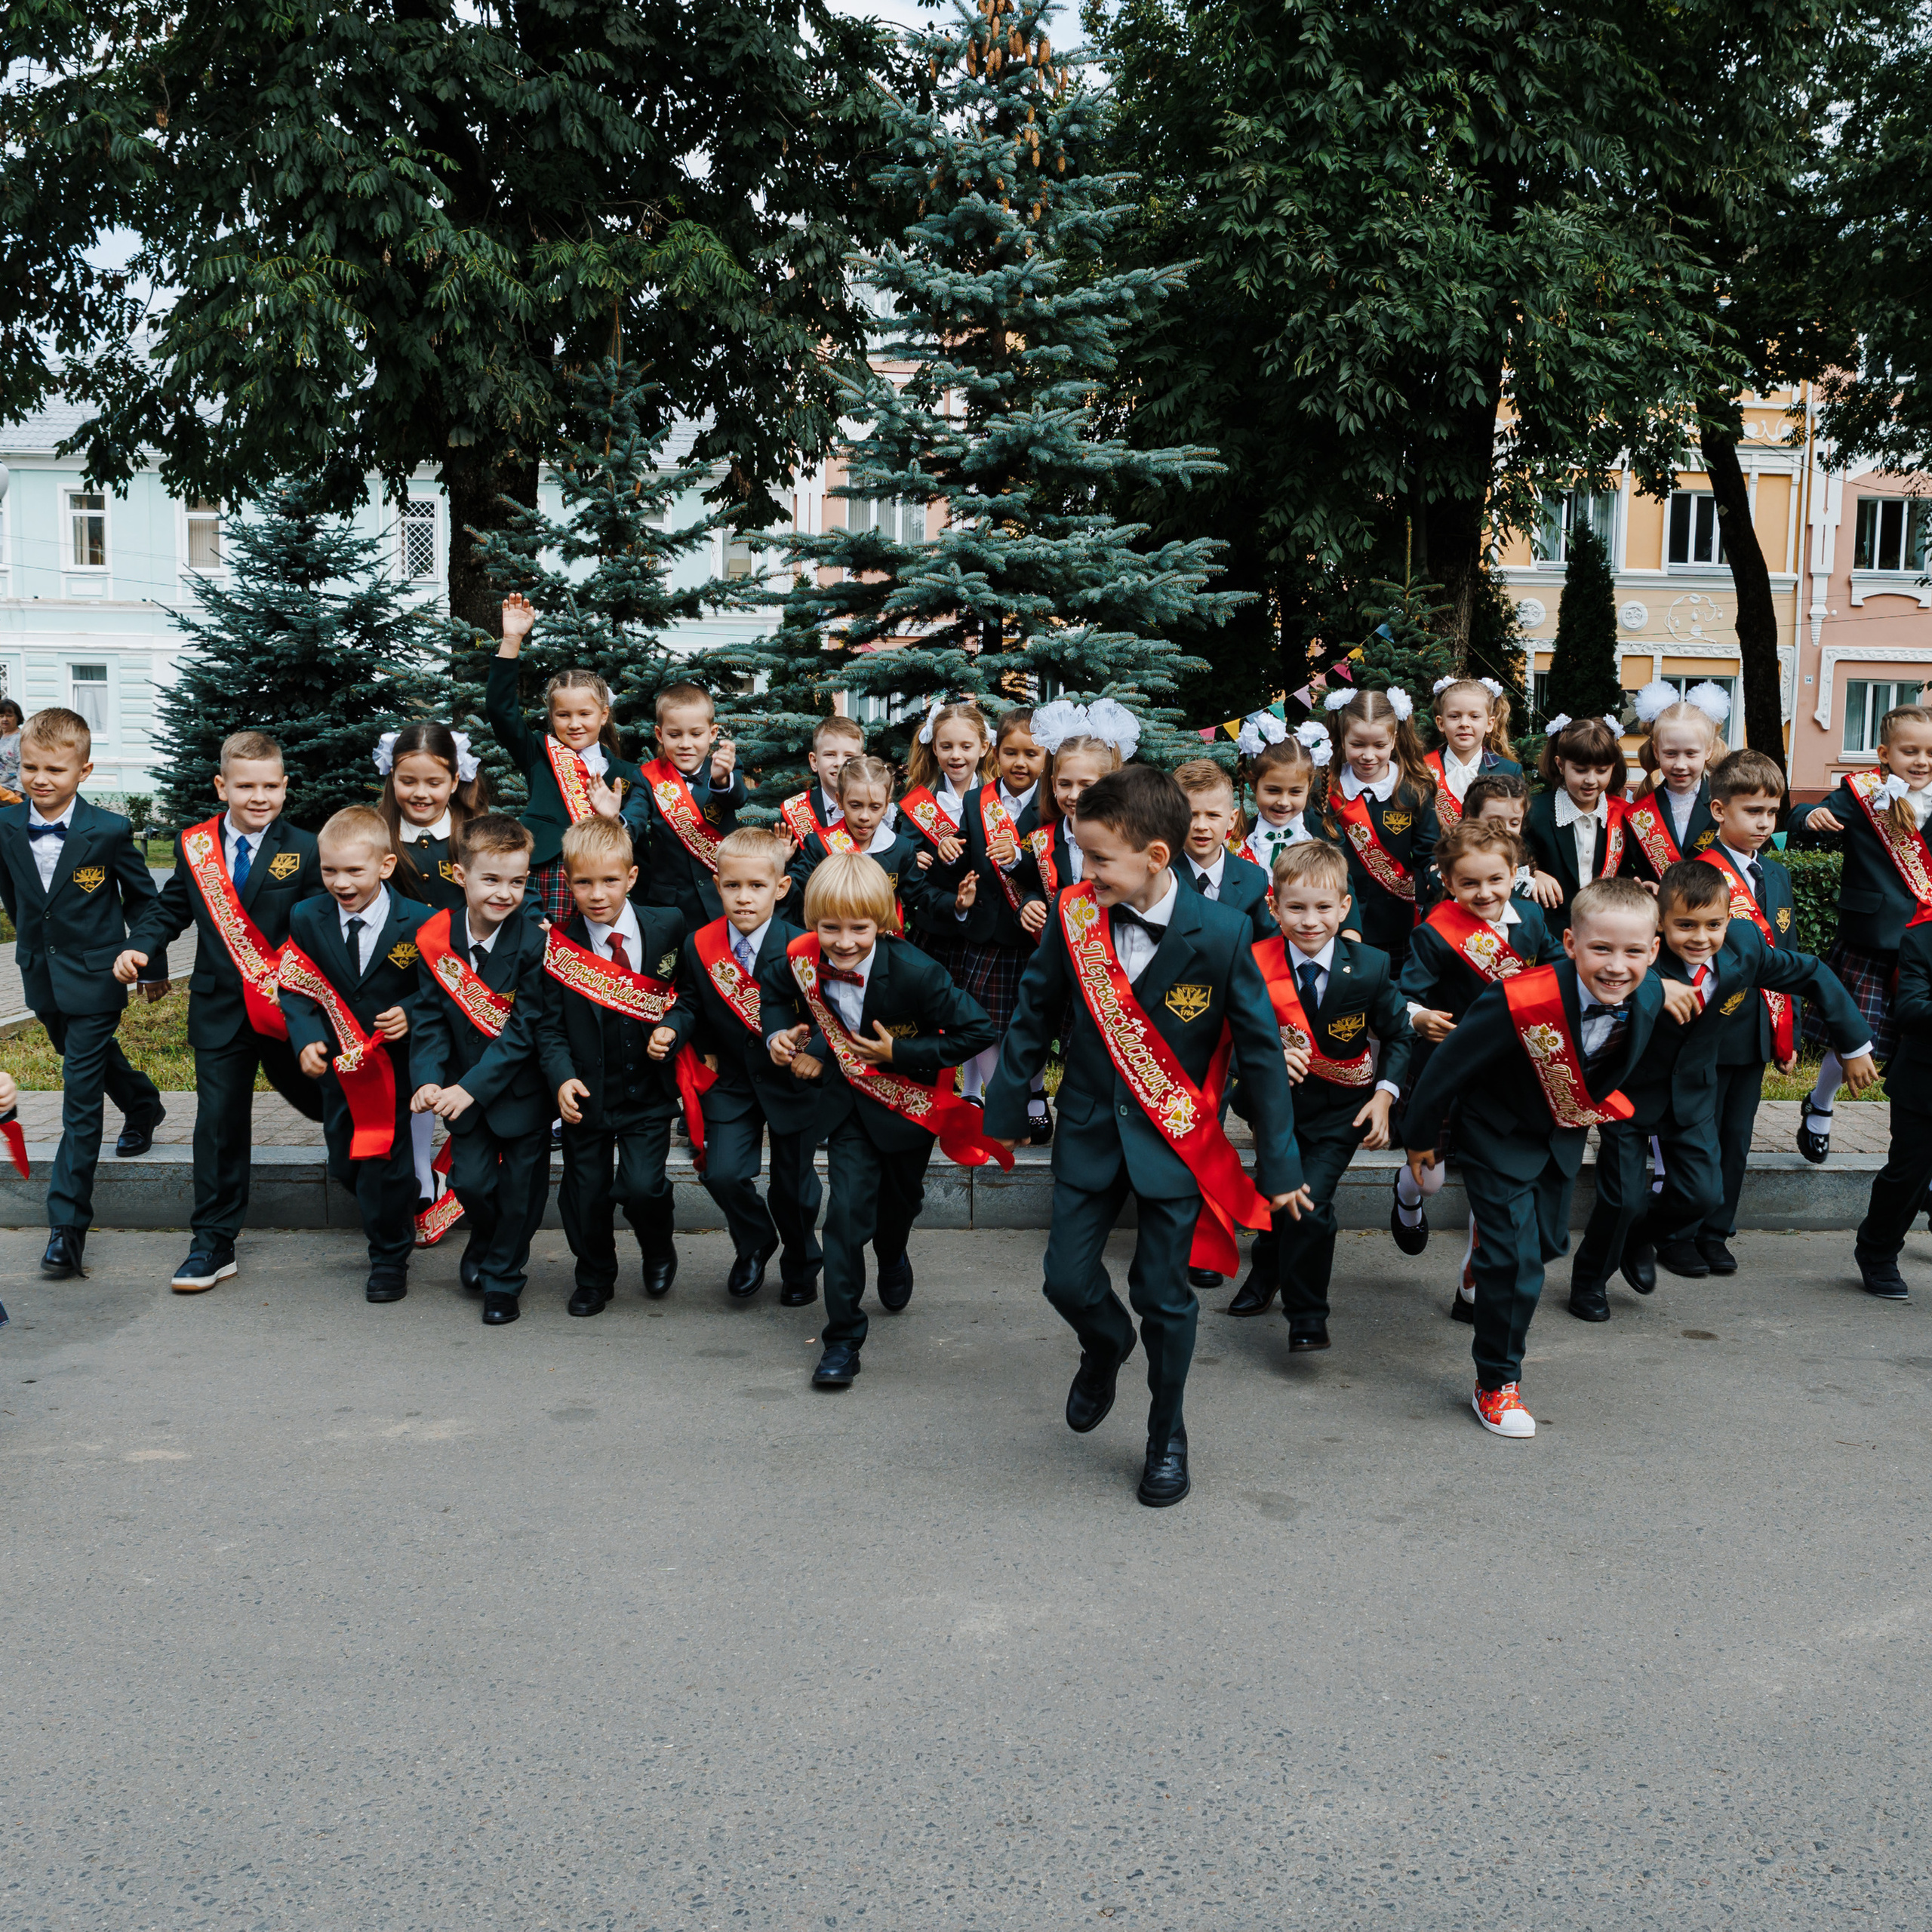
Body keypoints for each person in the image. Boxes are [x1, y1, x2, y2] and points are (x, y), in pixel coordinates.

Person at [983, 764, 1309, 1508]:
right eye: (1080, 854)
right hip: (1091, 1132)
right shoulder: (1073, 918)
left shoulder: (1224, 931)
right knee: (1065, 1279)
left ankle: (1167, 1432)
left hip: (1175, 1142)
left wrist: (1279, 1160)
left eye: (1099, 859)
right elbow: (1032, 1017)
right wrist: (1003, 1115)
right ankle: (1104, 1343)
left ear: (1156, 856)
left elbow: (1260, 1050)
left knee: (1163, 1298)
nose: (1083, 870)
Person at [1402, 878, 1668, 1438]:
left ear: (1654, 950)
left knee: (1544, 1247)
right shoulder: (1519, 997)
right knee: (1518, 1266)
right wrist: (1421, 1136)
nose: (1617, 965)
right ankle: (1496, 1385)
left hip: (1561, 1139)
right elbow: (1447, 1067)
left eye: (1633, 951)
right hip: (1497, 1135)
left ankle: (1486, 1260)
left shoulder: (1647, 994)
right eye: (1601, 948)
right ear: (1570, 943)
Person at [1563, 860, 1874, 1321]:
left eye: (1714, 925)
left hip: (1693, 1093)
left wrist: (1853, 1043)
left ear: (1730, 920)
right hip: (1627, 1093)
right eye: (1684, 925)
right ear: (1659, 925)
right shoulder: (1638, 957)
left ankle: (1638, 1238)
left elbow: (1810, 972)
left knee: (1703, 1195)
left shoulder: (1743, 948)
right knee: (1622, 1199)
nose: (1700, 937)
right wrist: (1653, 986)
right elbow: (1594, 972)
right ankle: (1589, 1281)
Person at [761, 851, 998, 1389]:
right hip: (845, 1107)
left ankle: (893, 1251)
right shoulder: (800, 958)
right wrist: (779, 1035)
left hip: (906, 1108)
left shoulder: (917, 973)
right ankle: (842, 1341)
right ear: (811, 923)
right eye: (830, 928)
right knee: (844, 1217)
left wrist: (901, 1052)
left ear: (884, 922)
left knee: (898, 1206)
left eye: (858, 928)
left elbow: (977, 1031)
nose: (843, 942)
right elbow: (774, 992)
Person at [115, 729, 326, 1292]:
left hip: (289, 1010)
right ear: (221, 786)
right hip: (220, 1009)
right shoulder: (194, 846)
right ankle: (212, 1242)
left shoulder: (306, 848)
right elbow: (172, 908)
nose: (259, 797)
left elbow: (319, 926)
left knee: (328, 1102)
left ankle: (385, 1206)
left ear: (285, 787)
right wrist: (144, 946)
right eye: (245, 786)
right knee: (218, 1125)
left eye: (270, 787)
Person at [0, 707, 169, 1280]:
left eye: (54, 768)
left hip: (99, 979)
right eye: (29, 767)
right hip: (40, 979)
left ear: (84, 770)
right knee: (83, 1060)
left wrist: (148, 963)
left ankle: (66, 1229)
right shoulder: (3, 827)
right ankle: (144, 1104)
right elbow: (16, 901)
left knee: (78, 1098)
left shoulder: (110, 830)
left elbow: (146, 902)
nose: (40, 779)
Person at [1225, 839, 1410, 1349]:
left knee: (1308, 1201)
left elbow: (1399, 1034)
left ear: (1344, 907)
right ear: (1274, 907)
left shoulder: (1369, 965)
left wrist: (1385, 1096)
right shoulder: (1251, 963)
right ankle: (1266, 1272)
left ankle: (1307, 1314)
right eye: (1296, 908)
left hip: (1340, 1112)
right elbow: (1220, 1041)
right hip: (1274, 1111)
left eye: (1324, 908)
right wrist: (1258, 1063)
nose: (1310, 921)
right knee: (1278, 1194)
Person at [1388, 815, 1565, 1301]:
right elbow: (1405, 994)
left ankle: (1474, 1280)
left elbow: (1559, 970)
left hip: (1508, 1073)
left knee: (1492, 1180)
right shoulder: (1434, 933)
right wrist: (1419, 1016)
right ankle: (1405, 1197)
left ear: (1515, 875)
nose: (1484, 893)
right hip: (1446, 1068)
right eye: (1469, 883)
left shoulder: (1530, 920)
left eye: (1495, 880)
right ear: (1447, 883)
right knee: (1432, 1181)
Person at [537, 815, 688, 1315]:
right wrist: (561, 1079)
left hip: (647, 1093)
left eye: (608, 880)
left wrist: (674, 1029)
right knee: (587, 1193)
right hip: (589, 1096)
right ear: (568, 882)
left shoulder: (667, 925)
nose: (597, 893)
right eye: (584, 882)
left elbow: (689, 997)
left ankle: (658, 1245)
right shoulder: (561, 947)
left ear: (632, 877)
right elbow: (551, 1027)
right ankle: (595, 1274)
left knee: (644, 1187)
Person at [666, 828, 825, 1305]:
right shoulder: (700, 945)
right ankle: (755, 1241)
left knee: (794, 1190)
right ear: (718, 884)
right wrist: (673, 1027)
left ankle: (801, 1263)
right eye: (733, 886)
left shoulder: (805, 948)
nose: (743, 898)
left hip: (792, 1080)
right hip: (733, 1079)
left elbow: (828, 1018)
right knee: (722, 1174)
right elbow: (690, 1002)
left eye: (757, 886)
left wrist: (810, 1051)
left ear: (780, 887)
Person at [277, 806, 429, 1303]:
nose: (340, 883)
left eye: (353, 871)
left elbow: (439, 989)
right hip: (339, 1070)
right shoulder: (306, 916)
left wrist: (409, 1011)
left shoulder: (420, 921)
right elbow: (295, 988)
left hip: (394, 1067)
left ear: (385, 866)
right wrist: (305, 1038)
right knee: (347, 1162)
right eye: (329, 870)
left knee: (384, 1158)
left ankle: (389, 1257)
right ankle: (396, 1200)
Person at [408, 814, 552, 1326]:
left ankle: (503, 1281)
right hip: (460, 1096)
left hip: (522, 1094)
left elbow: (526, 1028)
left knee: (519, 1196)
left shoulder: (535, 941)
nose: (504, 893)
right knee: (469, 1185)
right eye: (491, 879)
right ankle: (489, 1242)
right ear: (460, 874)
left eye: (517, 881)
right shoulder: (435, 937)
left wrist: (470, 1088)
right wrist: (428, 1077)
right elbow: (427, 1019)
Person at [1786, 700, 1932, 1162]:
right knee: (1857, 1035)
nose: (1923, 761)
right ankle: (1821, 1105)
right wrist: (1808, 819)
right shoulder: (1863, 792)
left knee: (1917, 1047)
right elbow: (1800, 823)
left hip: (1925, 942)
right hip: (1872, 936)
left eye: (1931, 752)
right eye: (1910, 751)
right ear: (1884, 753)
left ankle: (1914, 1149)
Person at [1686, 748, 1808, 1272]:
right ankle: (1680, 1231)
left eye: (1772, 811)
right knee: (1697, 1136)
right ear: (1719, 811)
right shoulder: (1695, 874)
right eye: (1751, 811)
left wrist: (1792, 1030)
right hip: (1709, 1032)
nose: (1764, 822)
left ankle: (1717, 1230)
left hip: (1759, 1031)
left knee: (1736, 1138)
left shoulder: (1775, 876)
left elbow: (1792, 956)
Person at [374, 720, 492, 1231]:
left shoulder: (474, 837)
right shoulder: (379, 838)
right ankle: (422, 1178)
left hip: (468, 983)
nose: (420, 793)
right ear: (391, 778)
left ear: (456, 780)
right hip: (401, 984)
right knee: (414, 1077)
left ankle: (469, 1171)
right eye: (408, 780)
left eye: (434, 782)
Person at [487, 592, 640, 924]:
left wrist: (614, 819)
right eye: (563, 715)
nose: (574, 724)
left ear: (603, 715)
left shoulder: (628, 773)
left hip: (603, 879)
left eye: (584, 713)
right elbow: (501, 710)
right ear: (551, 717)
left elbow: (640, 828)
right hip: (548, 872)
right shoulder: (539, 754)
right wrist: (512, 639)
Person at [932, 705, 1048, 1106]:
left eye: (1031, 754)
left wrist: (1020, 858)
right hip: (982, 933)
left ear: (1046, 756)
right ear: (995, 753)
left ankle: (1034, 1095)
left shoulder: (1050, 804)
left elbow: (1054, 869)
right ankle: (1000, 1097)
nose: (1020, 763)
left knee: (1028, 1021)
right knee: (980, 1020)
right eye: (1011, 753)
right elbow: (967, 855)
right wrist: (949, 850)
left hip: (1029, 934)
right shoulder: (977, 800)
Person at [1316, 687, 1438, 968]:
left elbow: (1429, 855)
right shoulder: (1325, 790)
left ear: (1394, 739)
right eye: (1358, 744)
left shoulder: (1414, 790)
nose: (1368, 755)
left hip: (1398, 925)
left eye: (1379, 746)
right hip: (1334, 923)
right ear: (1342, 740)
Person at [1854, 904, 1932, 1300]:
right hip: (1925, 1083)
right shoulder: (1921, 937)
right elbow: (1912, 1008)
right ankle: (1877, 1251)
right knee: (1909, 1175)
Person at [627, 680, 745, 929]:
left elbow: (737, 798)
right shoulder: (647, 778)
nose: (685, 744)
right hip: (671, 906)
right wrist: (615, 821)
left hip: (723, 898)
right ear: (659, 734)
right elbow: (634, 819)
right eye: (674, 735)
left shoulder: (726, 768)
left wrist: (722, 778)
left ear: (712, 733)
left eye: (696, 734)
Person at [899, 698, 995, 984]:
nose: (956, 756)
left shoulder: (997, 798)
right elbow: (906, 854)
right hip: (936, 925)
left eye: (966, 747)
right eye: (946, 746)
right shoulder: (921, 800)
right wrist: (912, 857)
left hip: (986, 930)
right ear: (934, 748)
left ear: (984, 747)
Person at [786, 755, 934, 936]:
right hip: (833, 945)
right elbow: (795, 893)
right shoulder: (818, 845)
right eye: (855, 805)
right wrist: (777, 865)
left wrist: (957, 904)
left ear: (887, 805)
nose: (864, 816)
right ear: (840, 801)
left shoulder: (901, 849)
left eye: (875, 807)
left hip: (882, 946)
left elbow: (920, 894)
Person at [1521, 713, 1632, 931]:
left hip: (1607, 929)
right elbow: (1512, 856)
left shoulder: (1623, 815)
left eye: (1602, 771)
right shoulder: (1535, 812)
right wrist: (1534, 874)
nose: (1591, 780)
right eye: (1580, 770)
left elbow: (1629, 870)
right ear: (1561, 765)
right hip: (1548, 931)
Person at [1623, 681, 1729, 881]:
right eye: (1671, 754)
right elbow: (1632, 869)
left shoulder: (1726, 804)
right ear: (1656, 751)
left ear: (1709, 750)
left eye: (1691, 754)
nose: (1680, 765)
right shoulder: (1640, 812)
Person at [1171, 758, 1274, 938]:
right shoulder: (1161, 874)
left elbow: (1267, 944)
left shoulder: (1253, 879)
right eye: (1191, 815)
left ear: (1231, 820)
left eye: (1213, 815)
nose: (1201, 825)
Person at [1424, 676, 1521, 825]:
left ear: (1490, 724)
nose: (1464, 723)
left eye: (1474, 716)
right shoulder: (1422, 768)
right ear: (1441, 723)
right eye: (1454, 716)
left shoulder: (1509, 771)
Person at [1236, 723, 1326, 869]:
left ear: (1309, 786)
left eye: (1295, 792)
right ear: (1253, 783)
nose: (1284, 802)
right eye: (1273, 790)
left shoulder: (1324, 832)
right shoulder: (1241, 837)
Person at [780, 715, 868, 848]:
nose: (839, 763)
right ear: (814, 761)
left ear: (862, 762)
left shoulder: (876, 809)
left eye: (849, 756)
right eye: (830, 755)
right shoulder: (794, 812)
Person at [0, 697, 24, 798]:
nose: (5, 719)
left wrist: (17, 794)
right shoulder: (2, 737)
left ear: (17, 717)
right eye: (1, 716)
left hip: (12, 795)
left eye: (9, 716)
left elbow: (23, 766)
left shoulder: (20, 739)